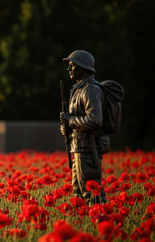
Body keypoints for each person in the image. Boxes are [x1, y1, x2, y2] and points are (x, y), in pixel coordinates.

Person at [60, 50, 108, 204]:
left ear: (83, 67)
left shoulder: (90, 90)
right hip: (79, 147)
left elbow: (95, 120)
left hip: (89, 148)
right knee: (79, 193)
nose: (69, 70)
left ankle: (100, 220)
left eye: (72, 66)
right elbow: (77, 121)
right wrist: (67, 127)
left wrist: (71, 121)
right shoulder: (78, 90)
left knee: (91, 194)